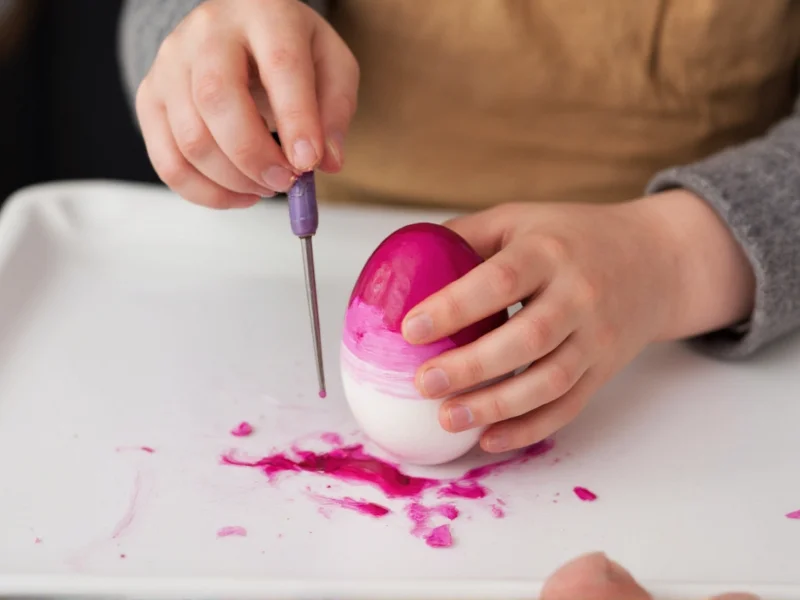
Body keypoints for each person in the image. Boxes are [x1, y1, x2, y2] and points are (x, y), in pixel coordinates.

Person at [118, 2, 797, 593]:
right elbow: (160, 26)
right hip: (320, 232)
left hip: (695, 270)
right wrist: (208, 65)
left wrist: (673, 256)